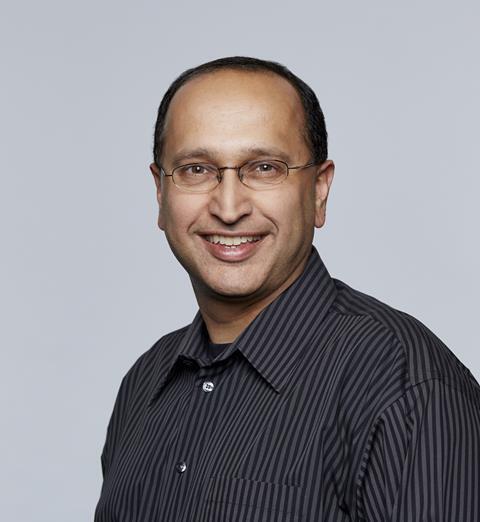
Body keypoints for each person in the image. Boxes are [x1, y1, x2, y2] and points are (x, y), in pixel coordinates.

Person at [94, 56, 480, 521]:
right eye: (196, 169)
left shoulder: (405, 386)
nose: (229, 208)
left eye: (264, 168)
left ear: (319, 190)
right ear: (161, 193)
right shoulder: (144, 384)